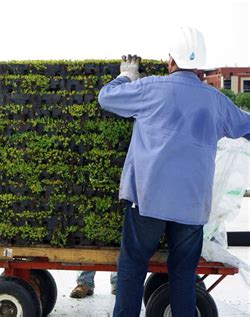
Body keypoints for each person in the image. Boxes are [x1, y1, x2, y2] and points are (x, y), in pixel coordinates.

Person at [98, 26, 250, 317]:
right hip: (192, 206)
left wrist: (126, 76)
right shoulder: (216, 101)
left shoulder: (150, 87)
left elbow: (107, 98)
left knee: (132, 267)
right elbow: (246, 125)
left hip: (148, 199)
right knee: (182, 275)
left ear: (171, 61)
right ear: (202, 68)